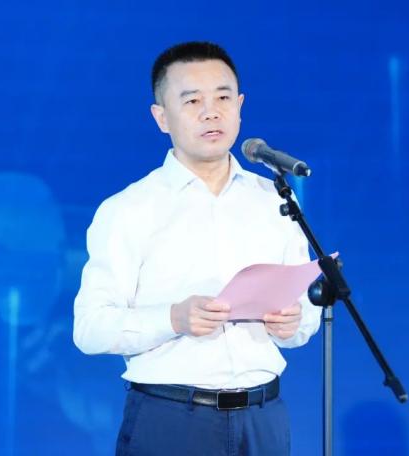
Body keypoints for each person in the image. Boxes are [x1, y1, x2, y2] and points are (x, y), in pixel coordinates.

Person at [73, 41, 321, 455]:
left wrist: (293, 322)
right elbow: (89, 328)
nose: (211, 112)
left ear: (240, 106)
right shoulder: (128, 210)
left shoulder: (273, 199)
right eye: (192, 101)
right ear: (161, 117)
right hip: (173, 420)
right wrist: (173, 318)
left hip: (263, 418)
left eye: (223, 98)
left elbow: (305, 315)